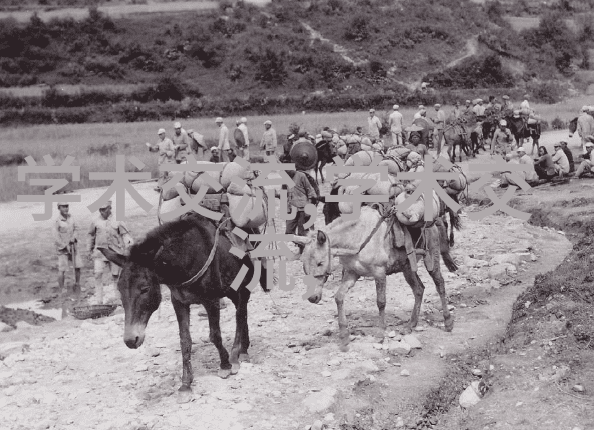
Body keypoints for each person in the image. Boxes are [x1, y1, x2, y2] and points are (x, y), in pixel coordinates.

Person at [87, 201, 133, 305]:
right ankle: (99, 301)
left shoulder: (118, 220)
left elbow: (125, 235)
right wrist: (89, 250)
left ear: (110, 209)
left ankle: (119, 300)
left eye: (104, 209)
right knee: (98, 275)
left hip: (114, 253)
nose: (102, 211)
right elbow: (91, 236)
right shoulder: (95, 221)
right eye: (101, 210)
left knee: (116, 276)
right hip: (99, 253)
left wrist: (129, 246)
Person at [285, 169, 316, 253]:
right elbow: (286, 194)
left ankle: (304, 251)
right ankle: (296, 248)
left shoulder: (301, 175)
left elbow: (310, 191)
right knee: (288, 231)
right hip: (291, 209)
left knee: (302, 232)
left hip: (303, 208)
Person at [54, 202, 83, 295]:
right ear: (59, 208)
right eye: (63, 207)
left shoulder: (72, 218)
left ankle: (77, 284)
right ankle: (61, 289)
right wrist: (64, 245)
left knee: (78, 266)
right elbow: (56, 237)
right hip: (63, 249)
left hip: (73, 246)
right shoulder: (57, 221)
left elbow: (77, 228)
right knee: (62, 269)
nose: (66, 208)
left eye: (67, 206)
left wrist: (74, 237)